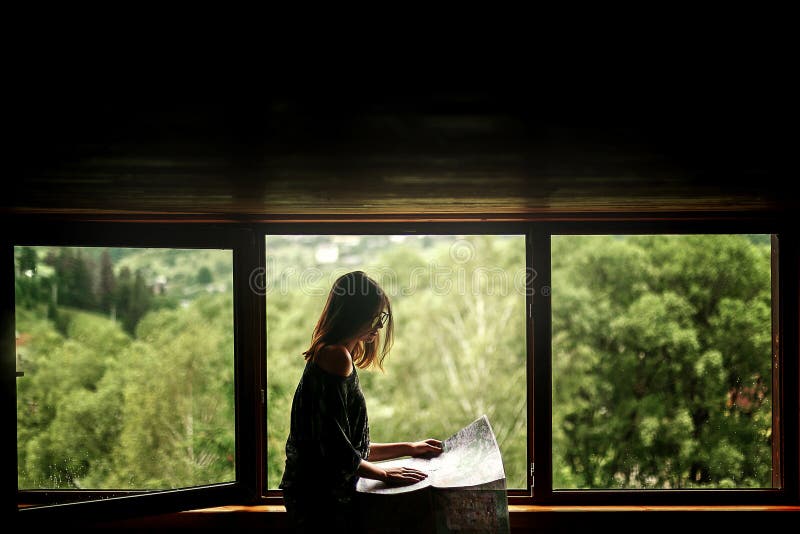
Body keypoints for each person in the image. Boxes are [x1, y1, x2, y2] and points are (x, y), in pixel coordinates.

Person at [279, 270, 443, 533]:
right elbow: (335, 452)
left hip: (316, 495)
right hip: (318, 500)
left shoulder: (333, 355)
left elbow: (351, 449)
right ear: (354, 316)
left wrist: (410, 448)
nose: (379, 326)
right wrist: (384, 474)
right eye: (375, 317)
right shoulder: (335, 358)